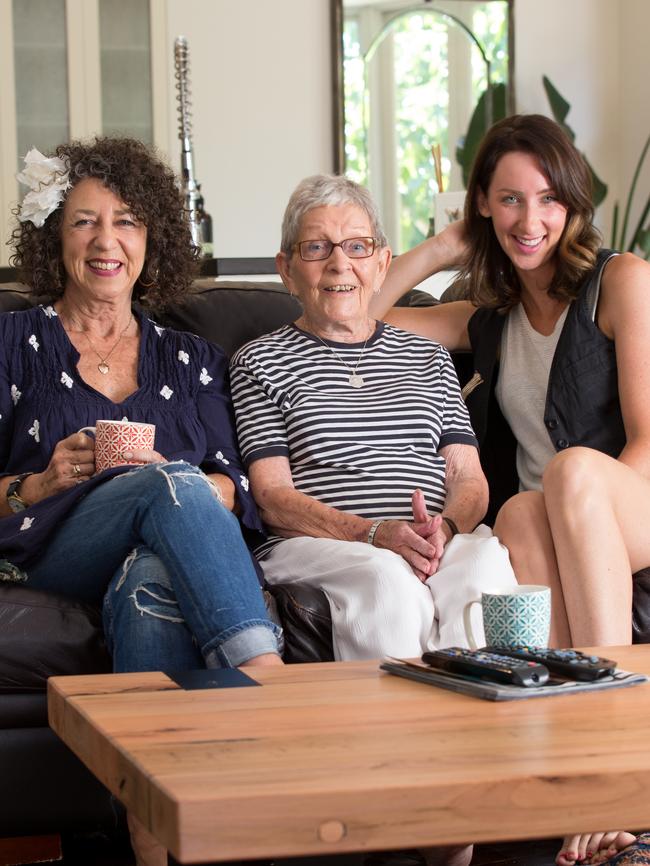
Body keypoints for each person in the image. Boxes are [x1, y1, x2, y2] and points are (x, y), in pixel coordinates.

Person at [369, 114, 650, 866]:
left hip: (632, 499)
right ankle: (567, 791)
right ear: (484, 206)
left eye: (548, 199)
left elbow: (649, 437)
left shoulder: (621, 281)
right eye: (510, 200)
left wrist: (585, 503)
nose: (532, 220)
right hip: (550, 521)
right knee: (520, 507)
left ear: (573, 203)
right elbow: (359, 317)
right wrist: (440, 248)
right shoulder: (488, 318)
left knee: (569, 473)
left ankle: (617, 766)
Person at [2, 137, 285, 866]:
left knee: (150, 581)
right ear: (52, 238)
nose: (106, 241)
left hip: (158, 555)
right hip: (54, 550)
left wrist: (184, 488)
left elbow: (237, 487)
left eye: (125, 221)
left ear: (150, 238)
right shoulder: (11, 343)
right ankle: (265, 677)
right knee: (172, 481)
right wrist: (38, 484)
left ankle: (153, 844)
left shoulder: (193, 359)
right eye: (83, 222)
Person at [229, 173, 516, 667]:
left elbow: (469, 478)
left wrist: (443, 529)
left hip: (432, 534)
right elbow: (272, 498)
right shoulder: (259, 361)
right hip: (322, 544)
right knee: (387, 580)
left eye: (358, 247)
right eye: (317, 248)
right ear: (287, 268)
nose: (340, 263)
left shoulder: (428, 357)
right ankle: (394, 740)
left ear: (382, 264)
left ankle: (484, 733)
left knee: (485, 563)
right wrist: (373, 531)